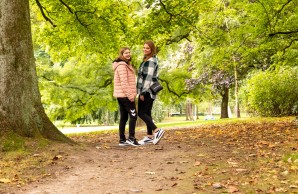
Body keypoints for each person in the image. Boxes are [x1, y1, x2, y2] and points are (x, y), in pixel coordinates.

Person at [137, 40, 165, 145]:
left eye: (147, 48)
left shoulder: (151, 61)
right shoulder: (147, 60)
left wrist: (142, 93)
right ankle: (149, 136)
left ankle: (157, 130)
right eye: (144, 47)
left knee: (141, 112)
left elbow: (148, 78)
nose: (145, 49)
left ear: (152, 49)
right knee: (147, 112)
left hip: (147, 91)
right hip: (149, 91)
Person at [113, 47, 140, 146]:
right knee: (133, 115)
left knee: (124, 117)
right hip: (125, 95)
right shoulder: (122, 66)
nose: (128, 54)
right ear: (121, 55)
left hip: (121, 95)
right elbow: (124, 82)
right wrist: (130, 95)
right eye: (126, 53)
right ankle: (131, 138)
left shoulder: (125, 64)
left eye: (129, 52)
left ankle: (122, 140)